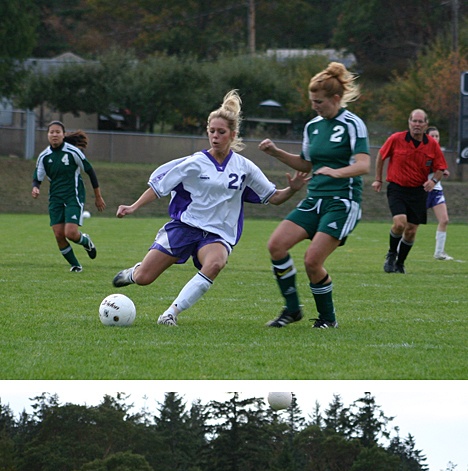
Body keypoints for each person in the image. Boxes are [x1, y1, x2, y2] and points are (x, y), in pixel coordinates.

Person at [112, 90, 308, 326]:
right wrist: (133, 207)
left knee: (215, 263)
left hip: (217, 234)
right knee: (145, 278)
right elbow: (159, 187)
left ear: (232, 135)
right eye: (211, 131)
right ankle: (134, 272)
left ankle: (170, 314)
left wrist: (293, 189)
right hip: (185, 227)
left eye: (221, 132)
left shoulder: (244, 167)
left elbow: (274, 197)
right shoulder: (194, 163)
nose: (215, 136)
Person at [259, 61, 370, 329]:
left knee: (312, 261)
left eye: (319, 101)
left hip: (342, 203)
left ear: (335, 98)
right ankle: (293, 309)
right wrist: (276, 152)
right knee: (276, 245)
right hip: (314, 199)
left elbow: (364, 164)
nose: (314, 106)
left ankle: (327, 320)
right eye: (312, 101)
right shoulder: (313, 127)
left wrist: (337, 172)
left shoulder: (353, 124)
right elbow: (306, 164)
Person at [372, 109, 447, 273]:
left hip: (419, 191)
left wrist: (433, 181)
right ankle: (391, 254)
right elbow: (381, 155)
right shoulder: (396, 139)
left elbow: (441, 167)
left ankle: (400, 263)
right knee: (400, 223)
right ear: (409, 122)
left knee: (411, 231)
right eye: (414, 121)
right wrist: (378, 179)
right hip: (397, 188)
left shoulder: (432, 144)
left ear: (426, 124)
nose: (417, 125)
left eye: (421, 122)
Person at [32, 121, 106, 272]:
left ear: (63, 134)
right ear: (47, 135)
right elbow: (37, 177)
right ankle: (76, 266)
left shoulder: (73, 152)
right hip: (55, 199)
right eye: (51, 132)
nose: (54, 135)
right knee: (59, 234)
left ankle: (87, 242)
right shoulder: (44, 156)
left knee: (70, 233)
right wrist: (35, 188)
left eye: (57, 132)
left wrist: (98, 196)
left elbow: (90, 171)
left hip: (74, 196)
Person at [426, 127, 453, 261]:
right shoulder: (423, 149)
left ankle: (439, 253)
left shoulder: (439, 153)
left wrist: (443, 171)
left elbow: (440, 167)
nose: (435, 139)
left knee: (444, 220)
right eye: (433, 136)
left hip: (436, 190)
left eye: (437, 136)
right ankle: (396, 250)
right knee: (410, 224)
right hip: (423, 190)